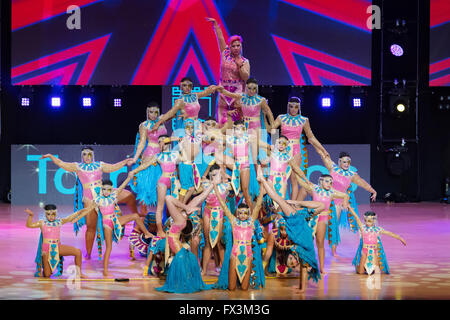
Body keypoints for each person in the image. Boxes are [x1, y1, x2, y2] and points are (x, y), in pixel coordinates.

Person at [40, 148, 136, 259]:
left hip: (105, 194)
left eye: (89, 154)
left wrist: (125, 162)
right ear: (82, 156)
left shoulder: (100, 165)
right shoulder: (77, 167)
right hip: (90, 200)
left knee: (128, 195)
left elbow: (113, 167)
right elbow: (61, 163)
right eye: (84, 154)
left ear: (92, 155)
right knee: (91, 228)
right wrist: (51, 156)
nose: (87, 156)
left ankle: (136, 222)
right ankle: (88, 254)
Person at [257, 167, 323, 292]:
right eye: (293, 263)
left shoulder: (296, 249)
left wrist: (301, 289)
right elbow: (321, 206)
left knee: (277, 200)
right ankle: (262, 179)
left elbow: (303, 270)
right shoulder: (305, 255)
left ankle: (263, 181)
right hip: (298, 219)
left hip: (294, 222)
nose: (292, 261)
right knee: (278, 198)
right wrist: (298, 203)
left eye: (290, 262)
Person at [91, 172, 154, 277]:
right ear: (101, 190)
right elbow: (85, 211)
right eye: (104, 189)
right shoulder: (98, 200)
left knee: (135, 216)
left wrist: (129, 177)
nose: (106, 192)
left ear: (112, 190)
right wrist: (74, 217)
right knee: (109, 248)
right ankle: (105, 271)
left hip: (115, 220)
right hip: (107, 225)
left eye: (109, 189)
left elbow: (122, 187)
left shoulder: (113, 196)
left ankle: (146, 233)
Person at [155, 185, 215, 293]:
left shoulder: (179, 220)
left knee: (168, 198)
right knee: (183, 262)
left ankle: (185, 283)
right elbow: (200, 197)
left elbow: (169, 199)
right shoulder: (181, 217)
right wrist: (212, 184)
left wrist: (187, 207)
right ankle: (186, 282)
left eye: (185, 211)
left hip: (176, 241)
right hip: (177, 239)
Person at [317, 150, 377, 257]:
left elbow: (363, 183)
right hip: (324, 199)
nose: (346, 164)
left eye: (348, 162)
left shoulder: (351, 175)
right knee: (318, 224)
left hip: (337, 204)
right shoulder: (333, 167)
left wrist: (373, 191)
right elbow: (323, 154)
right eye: (344, 162)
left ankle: (333, 251)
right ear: (339, 162)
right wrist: (312, 140)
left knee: (334, 226)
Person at [292, 169, 349, 275]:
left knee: (320, 243)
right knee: (306, 242)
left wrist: (345, 204)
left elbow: (345, 195)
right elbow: (300, 182)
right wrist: (294, 170)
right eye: (327, 181)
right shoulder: (314, 188)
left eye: (331, 182)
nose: (329, 184)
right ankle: (303, 264)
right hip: (311, 217)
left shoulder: (332, 193)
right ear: (321, 181)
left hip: (323, 220)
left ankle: (321, 268)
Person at [271, 97, 328, 201]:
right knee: (280, 177)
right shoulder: (281, 118)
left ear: (299, 108)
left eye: (296, 107)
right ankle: (279, 204)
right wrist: (275, 146)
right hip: (282, 150)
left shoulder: (304, 120)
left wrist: (323, 149)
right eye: (291, 106)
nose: (293, 109)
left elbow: (311, 137)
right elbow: (272, 129)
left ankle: (292, 206)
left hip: (296, 151)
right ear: (288, 106)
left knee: (294, 179)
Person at [212, 179, 264, 291]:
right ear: (237, 213)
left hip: (248, 254)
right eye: (240, 213)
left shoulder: (251, 222)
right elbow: (223, 205)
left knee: (245, 288)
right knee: (231, 288)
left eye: (245, 213)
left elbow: (258, 205)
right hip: (235, 254)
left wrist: (262, 185)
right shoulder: (234, 221)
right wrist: (215, 188)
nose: (242, 215)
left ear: (248, 213)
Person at [132, 135, 182, 238]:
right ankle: (160, 230)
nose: (160, 143)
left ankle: (174, 228)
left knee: (175, 207)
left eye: (162, 141)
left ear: (167, 141)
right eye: (158, 142)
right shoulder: (158, 156)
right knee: (160, 207)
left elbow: (187, 158)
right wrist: (134, 171)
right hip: (163, 181)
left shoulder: (176, 154)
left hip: (173, 181)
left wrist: (179, 141)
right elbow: (144, 165)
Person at [26, 204, 94, 278]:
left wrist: (79, 212)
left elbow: (69, 218)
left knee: (78, 252)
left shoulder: (59, 221)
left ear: (56, 214)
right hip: (47, 249)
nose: (51, 216)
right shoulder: (42, 223)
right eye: (48, 214)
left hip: (58, 247)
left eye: (53, 214)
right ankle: (45, 266)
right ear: (45, 214)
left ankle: (79, 273)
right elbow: (29, 225)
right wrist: (31, 216)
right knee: (47, 275)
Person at [206, 17, 250, 127]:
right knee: (221, 120)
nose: (235, 48)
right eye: (233, 46)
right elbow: (220, 38)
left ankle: (238, 143)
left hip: (237, 92)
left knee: (238, 121)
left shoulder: (244, 61)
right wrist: (216, 25)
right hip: (223, 90)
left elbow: (245, 77)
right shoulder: (225, 53)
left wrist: (240, 66)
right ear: (229, 47)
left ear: (241, 46)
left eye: (238, 46)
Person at [130, 102, 168, 209]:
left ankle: (159, 217)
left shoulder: (161, 123)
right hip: (150, 154)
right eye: (151, 112)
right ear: (147, 112)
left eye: (156, 112)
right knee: (146, 186)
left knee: (160, 185)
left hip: (162, 156)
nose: (154, 114)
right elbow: (142, 143)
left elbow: (172, 113)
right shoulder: (144, 125)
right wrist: (135, 158)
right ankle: (144, 216)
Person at [150, 77, 217, 136]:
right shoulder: (180, 101)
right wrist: (158, 123)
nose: (187, 87)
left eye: (189, 85)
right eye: (185, 85)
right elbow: (171, 112)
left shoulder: (195, 95)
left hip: (197, 125)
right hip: (187, 128)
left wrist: (215, 87)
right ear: (181, 87)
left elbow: (205, 92)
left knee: (197, 148)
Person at [349, 208, 406, 275]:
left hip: (374, 252)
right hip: (364, 252)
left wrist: (400, 238)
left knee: (377, 273)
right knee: (360, 272)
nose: (367, 223)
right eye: (366, 221)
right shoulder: (362, 228)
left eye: (369, 221)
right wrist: (349, 208)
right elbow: (356, 217)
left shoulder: (378, 230)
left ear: (374, 221)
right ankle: (362, 267)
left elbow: (390, 233)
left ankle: (371, 268)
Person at [200, 164, 232, 276]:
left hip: (219, 213)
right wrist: (208, 166)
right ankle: (204, 270)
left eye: (218, 175)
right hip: (208, 212)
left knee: (219, 243)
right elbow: (202, 178)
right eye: (213, 175)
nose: (216, 177)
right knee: (208, 243)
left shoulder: (225, 186)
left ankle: (223, 269)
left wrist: (223, 174)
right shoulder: (206, 185)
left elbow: (236, 183)